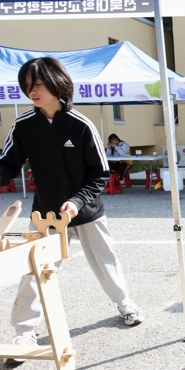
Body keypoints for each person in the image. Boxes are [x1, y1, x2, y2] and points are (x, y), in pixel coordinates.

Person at [0, 57, 144, 354]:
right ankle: (25, 332)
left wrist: (77, 201)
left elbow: (100, 173)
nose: (32, 91)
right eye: (27, 86)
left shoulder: (81, 125)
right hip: (46, 216)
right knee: (35, 271)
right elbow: (7, 165)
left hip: (87, 212)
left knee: (105, 263)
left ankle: (125, 303)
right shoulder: (23, 125)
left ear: (57, 83)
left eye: (38, 84)